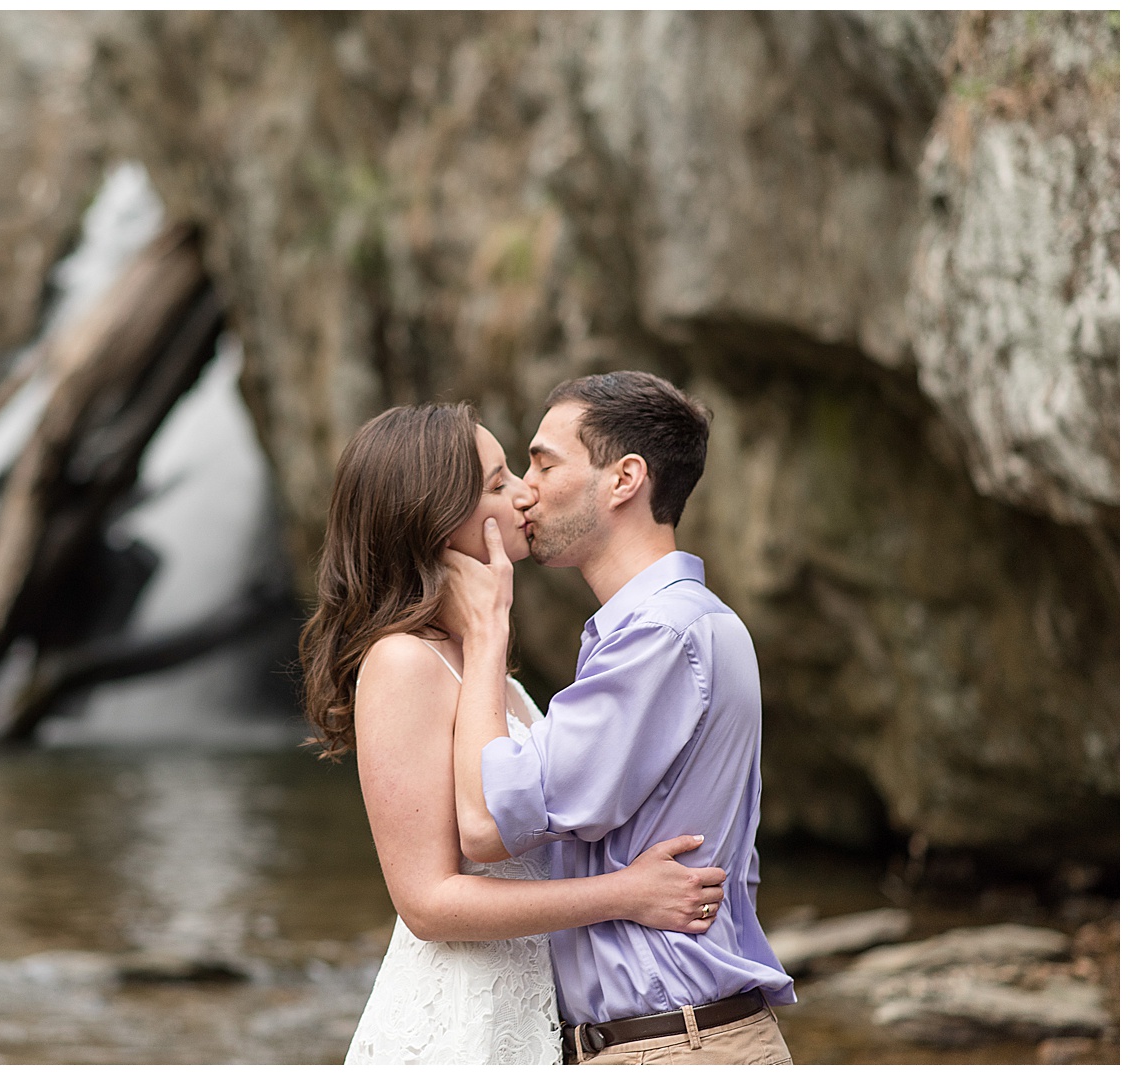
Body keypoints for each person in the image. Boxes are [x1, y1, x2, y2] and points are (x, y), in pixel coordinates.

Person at [298, 401, 730, 1065]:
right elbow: (426, 903)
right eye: (499, 483)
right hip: (458, 1028)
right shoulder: (404, 660)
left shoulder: (480, 663)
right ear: (437, 517)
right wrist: (626, 895)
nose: (526, 491)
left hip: (527, 1017)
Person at [444, 371, 796, 1065]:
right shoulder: (681, 625)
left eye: (544, 462)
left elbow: (488, 822)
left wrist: (485, 635)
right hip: (677, 1040)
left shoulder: (659, 637)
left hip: (673, 1047)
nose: (525, 489)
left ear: (624, 478)